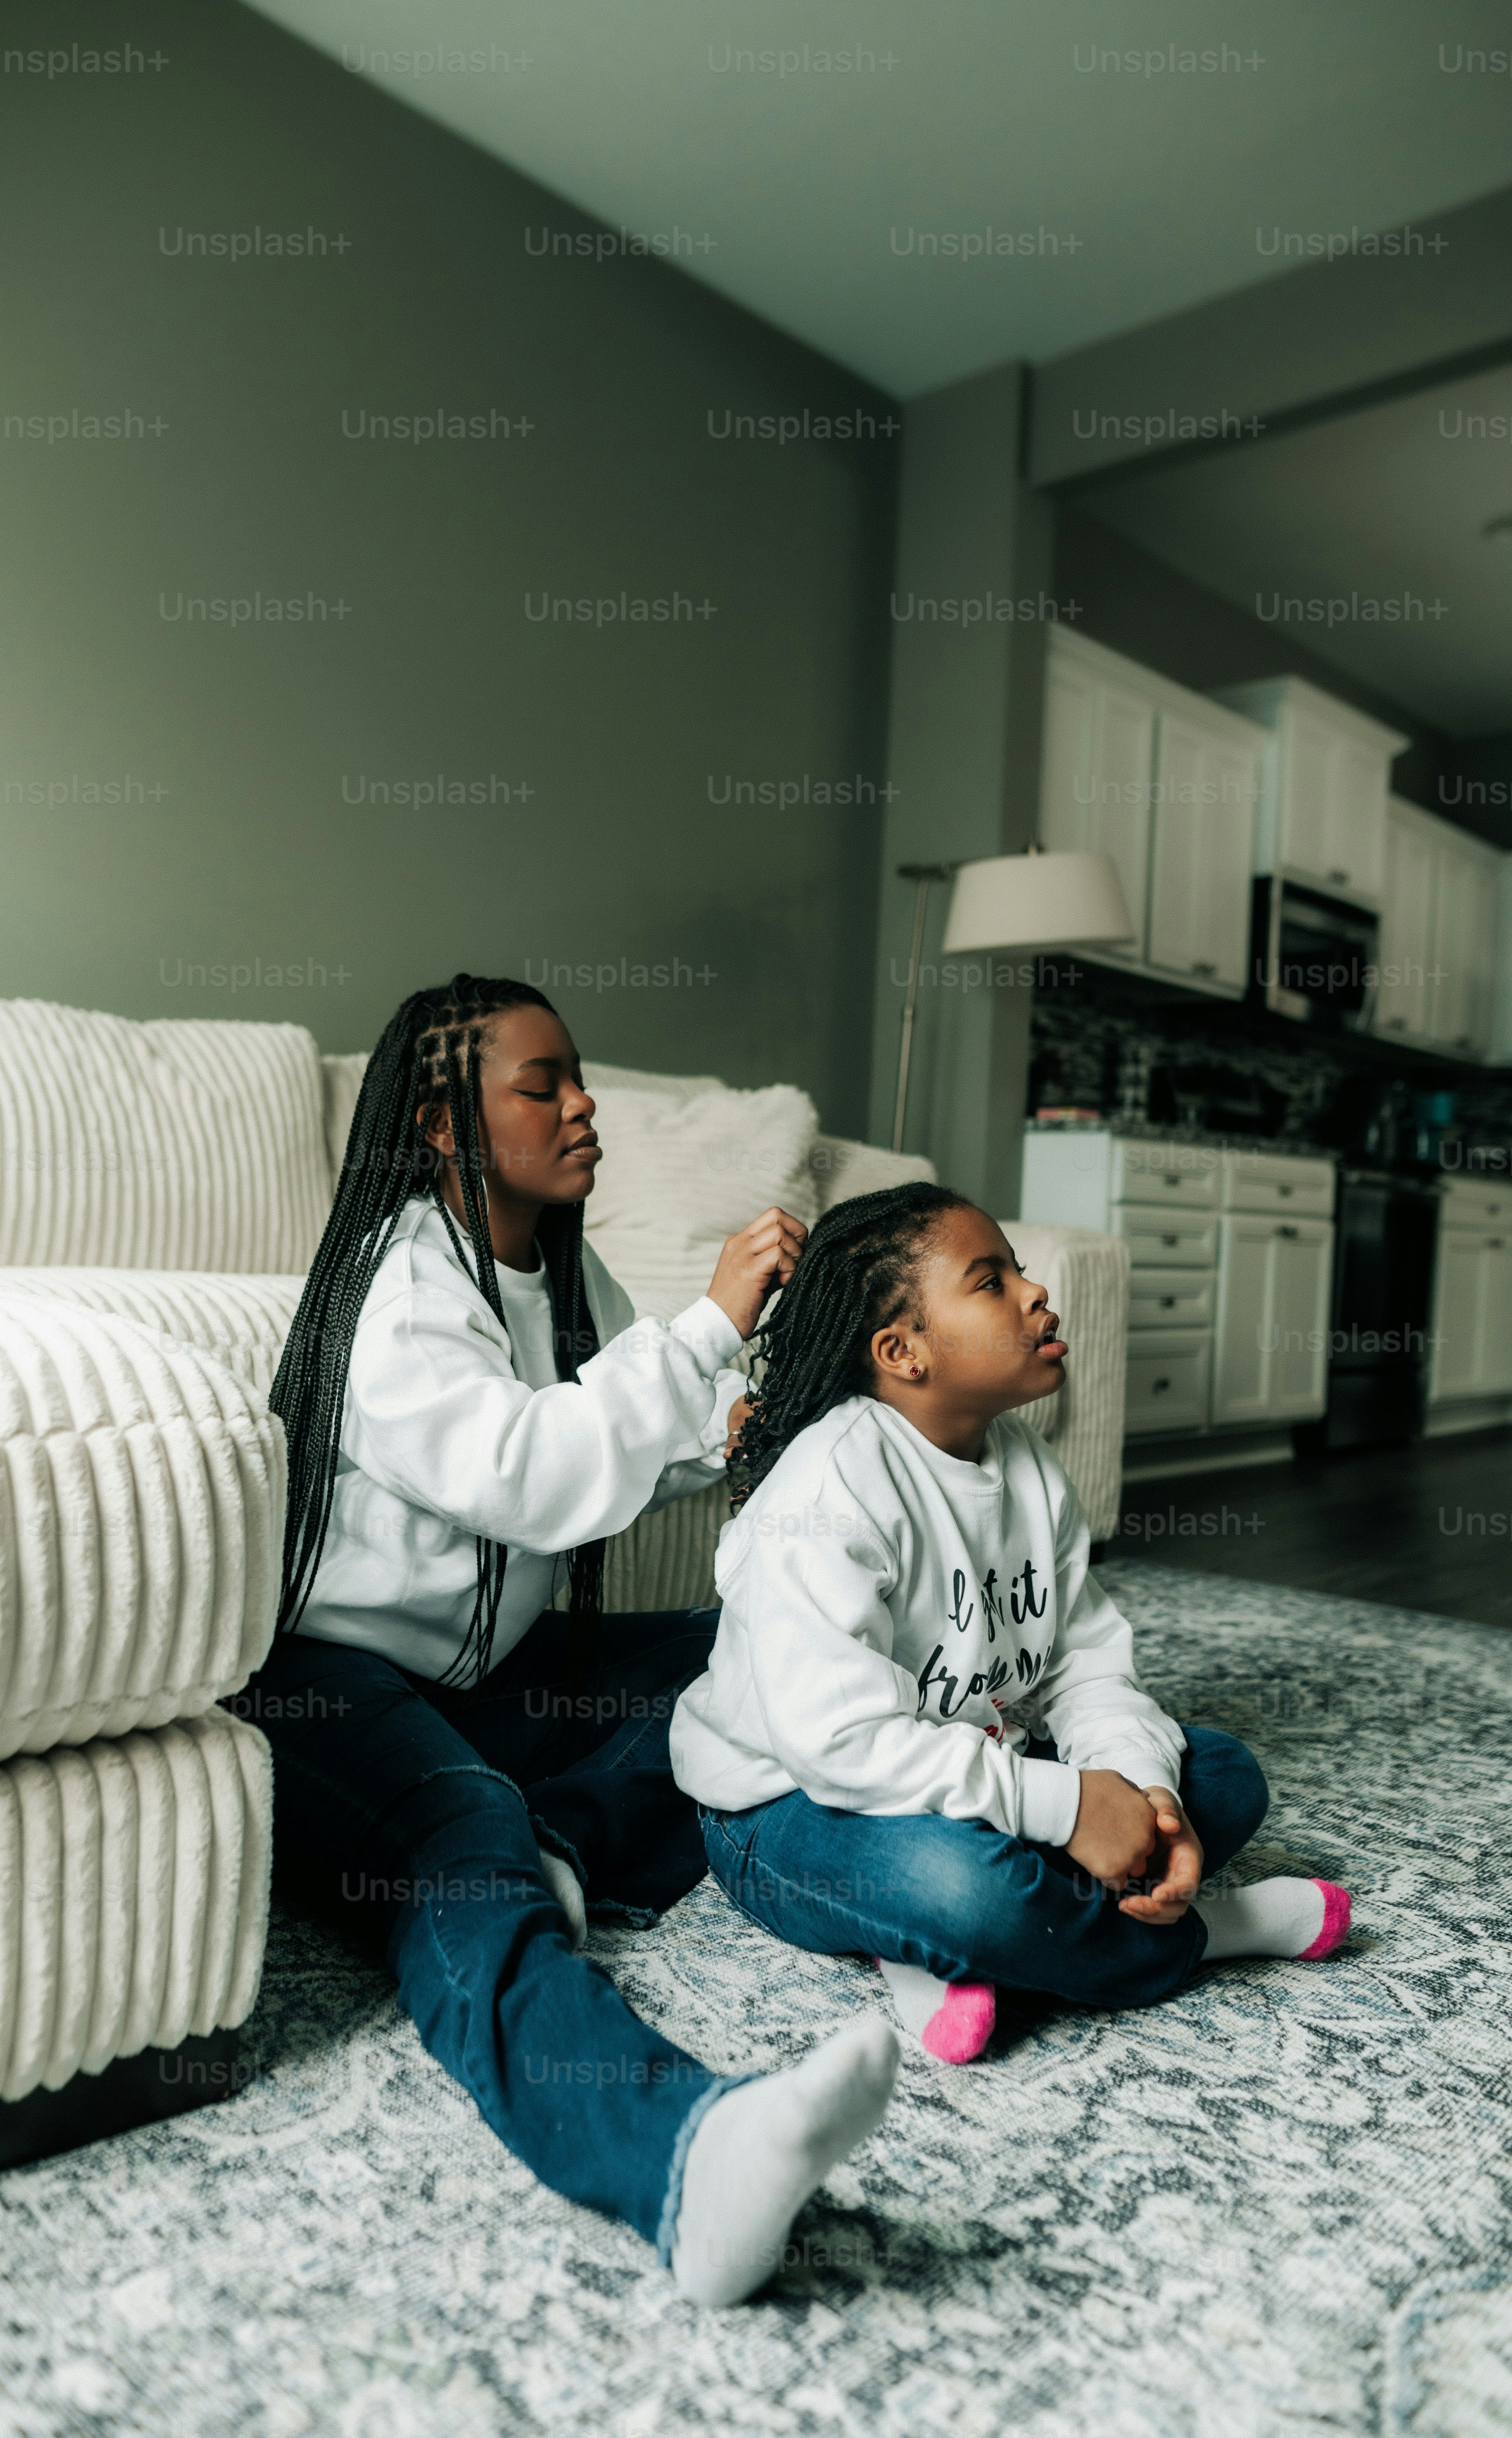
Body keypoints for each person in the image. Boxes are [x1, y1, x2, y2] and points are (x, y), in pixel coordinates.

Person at [245, 976, 898, 2307]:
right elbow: (530, 1470)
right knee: (461, 1850)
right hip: (329, 1686)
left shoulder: (556, 1266)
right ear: (441, 1122)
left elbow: (617, 1446)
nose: (582, 1101)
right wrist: (706, 1321)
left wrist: (730, 1427)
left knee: (761, 1652)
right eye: (541, 1085)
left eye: (577, 1075)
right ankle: (679, 2154)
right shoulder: (398, 1279)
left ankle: (570, 1835)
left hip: (492, 1676)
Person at [671, 1182, 1350, 2065]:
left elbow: (1083, 1669)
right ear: (901, 1350)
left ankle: (938, 1949)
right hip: (785, 1807)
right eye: (990, 1282)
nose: (1034, 1294)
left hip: (959, 1766)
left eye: (1019, 1273)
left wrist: (1135, 1791)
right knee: (964, 1890)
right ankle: (1198, 1937)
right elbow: (838, 1748)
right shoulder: (830, 1488)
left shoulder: (1027, 1465)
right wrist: (1065, 1808)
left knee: (1219, 1779)